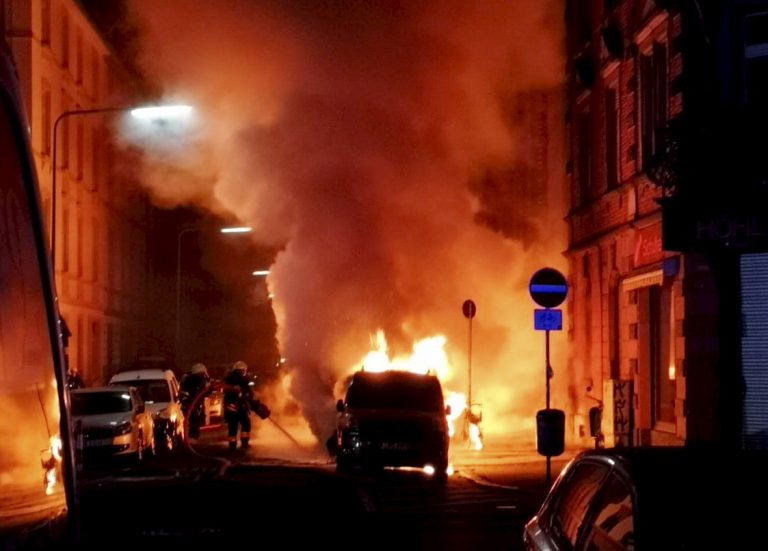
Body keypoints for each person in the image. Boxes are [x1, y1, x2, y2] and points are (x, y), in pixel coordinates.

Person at [222, 360, 270, 450]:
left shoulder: (230, 380)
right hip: (238, 409)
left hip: (231, 409)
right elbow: (248, 397)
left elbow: (246, 396)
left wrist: (256, 406)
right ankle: (244, 443)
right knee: (246, 424)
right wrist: (257, 407)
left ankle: (232, 445)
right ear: (243, 370)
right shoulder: (241, 381)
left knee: (233, 427)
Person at [179, 362, 212, 443]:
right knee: (194, 424)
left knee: (192, 424)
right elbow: (205, 391)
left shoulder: (187, 380)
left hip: (188, 406)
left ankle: (189, 440)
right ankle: (191, 441)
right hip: (192, 407)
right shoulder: (197, 381)